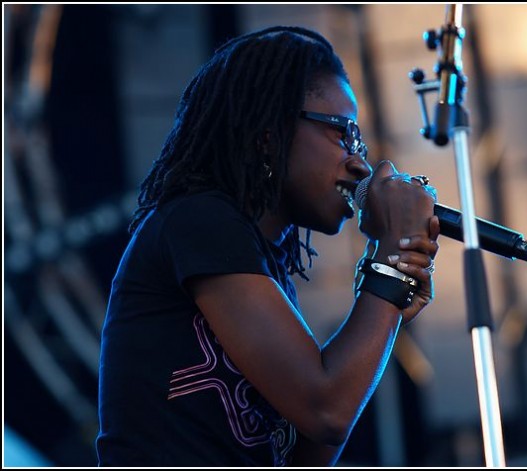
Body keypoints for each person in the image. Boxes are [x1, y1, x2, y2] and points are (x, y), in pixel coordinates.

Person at [95, 25, 440, 467]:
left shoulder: (264, 265)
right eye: (343, 133)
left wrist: (388, 306)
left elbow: (305, 454)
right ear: (269, 134)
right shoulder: (200, 222)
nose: (359, 161)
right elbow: (326, 409)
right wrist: (387, 269)